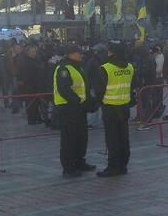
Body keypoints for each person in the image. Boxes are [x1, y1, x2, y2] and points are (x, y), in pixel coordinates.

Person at [92, 42, 137, 177]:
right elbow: (132, 86)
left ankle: (113, 167)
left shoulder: (105, 68)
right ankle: (123, 165)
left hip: (110, 108)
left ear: (111, 52)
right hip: (124, 107)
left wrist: (100, 102)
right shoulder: (130, 67)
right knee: (124, 137)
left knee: (112, 139)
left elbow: (99, 91)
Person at [53, 44, 95, 177]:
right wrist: (78, 101)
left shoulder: (78, 67)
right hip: (68, 108)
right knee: (69, 138)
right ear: (70, 54)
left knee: (81, 137)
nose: (81, 55)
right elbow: (64, 89)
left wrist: (88, 102)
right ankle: (68, 167)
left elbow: (84, 86)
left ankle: (79, 162)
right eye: (78, 53)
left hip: (79, 107)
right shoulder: (64, 68)